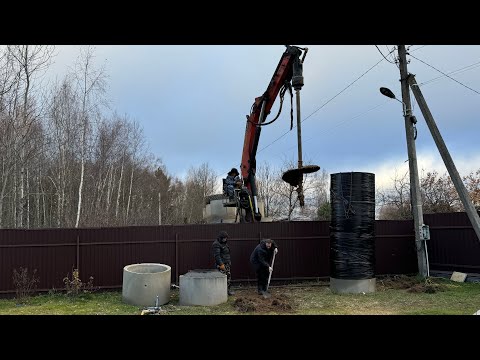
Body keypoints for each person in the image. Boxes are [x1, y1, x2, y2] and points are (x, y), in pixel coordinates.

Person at [212, 230, 235, 296]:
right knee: (221, 279)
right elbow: (217, 256)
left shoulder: (224, 243)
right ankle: (220, 293)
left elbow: (226, 253)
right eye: (224, 238)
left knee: (228, 278)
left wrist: (228, 262)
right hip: (221, 265)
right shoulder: (216, 244)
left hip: (227, 263)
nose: (225, 239)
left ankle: (227, 291)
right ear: (220, 238)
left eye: (226, 238)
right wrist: (221, 264)